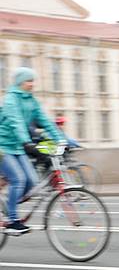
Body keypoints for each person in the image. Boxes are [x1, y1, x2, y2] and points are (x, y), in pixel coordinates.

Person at [0, 67, 64, 235]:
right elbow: (16, 122)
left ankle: (7, 206)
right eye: (29, 80)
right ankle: (13, 220)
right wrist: (26, 141)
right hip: (2, 146)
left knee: (32, 180)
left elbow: (45, 121)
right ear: (20, 82)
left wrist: (60, 140)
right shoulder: (10, 100)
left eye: (33, 80)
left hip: (16, 146)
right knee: (18, 179)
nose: (32, 84)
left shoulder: (31, 100)